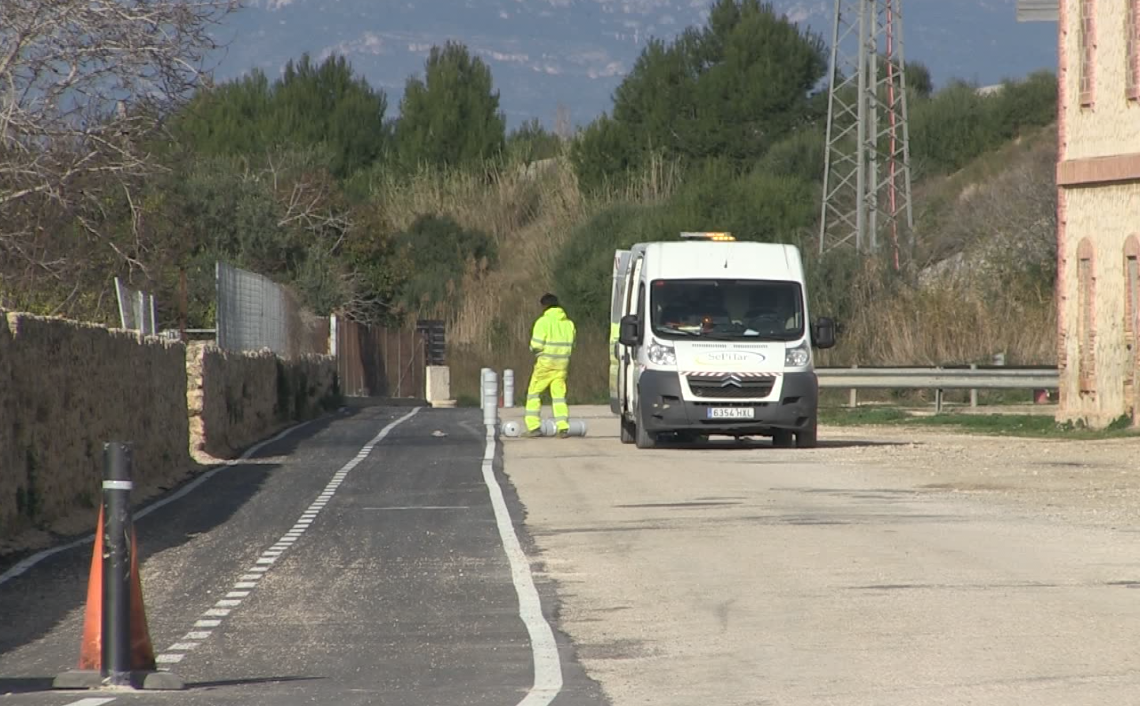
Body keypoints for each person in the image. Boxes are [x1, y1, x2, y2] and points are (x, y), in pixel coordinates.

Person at [524, 293, 577, 438]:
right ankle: (563, 427)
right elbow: (573, 344)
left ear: (544, 306)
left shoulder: (543, 322)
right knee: (559, 396)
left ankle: (534, 426)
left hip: (545, 364)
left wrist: (534, 350)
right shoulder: (569, 324)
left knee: (534, 393)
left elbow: (536, 345)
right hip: (562, 365)